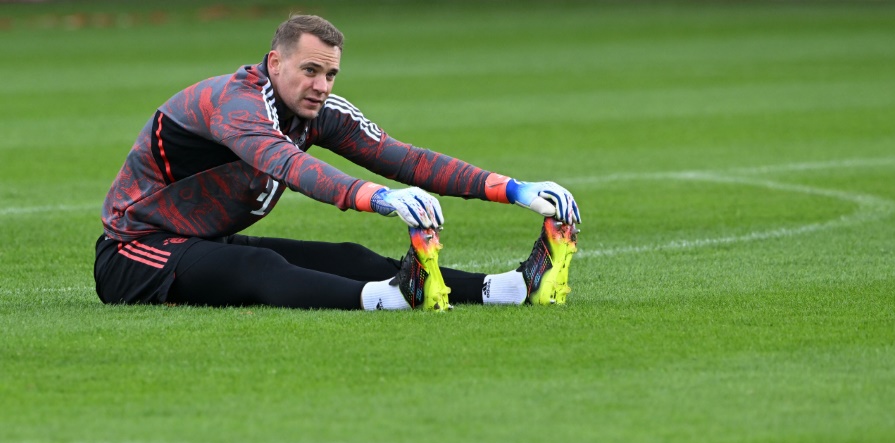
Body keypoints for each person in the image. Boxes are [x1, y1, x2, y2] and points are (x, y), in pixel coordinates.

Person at [95, 14, 581, 312]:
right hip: (134, 252)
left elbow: (403, 158)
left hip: (200, 237)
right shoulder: (235, 104)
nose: (322, 85)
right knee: (257, 265)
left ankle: (507, 289)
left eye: (330, 73)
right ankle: (388, 300)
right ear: (275, 62)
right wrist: (380, 199)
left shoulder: (317, 111)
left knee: (352, 257)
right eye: (311, 70)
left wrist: (513, 188)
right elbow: (287, 163)